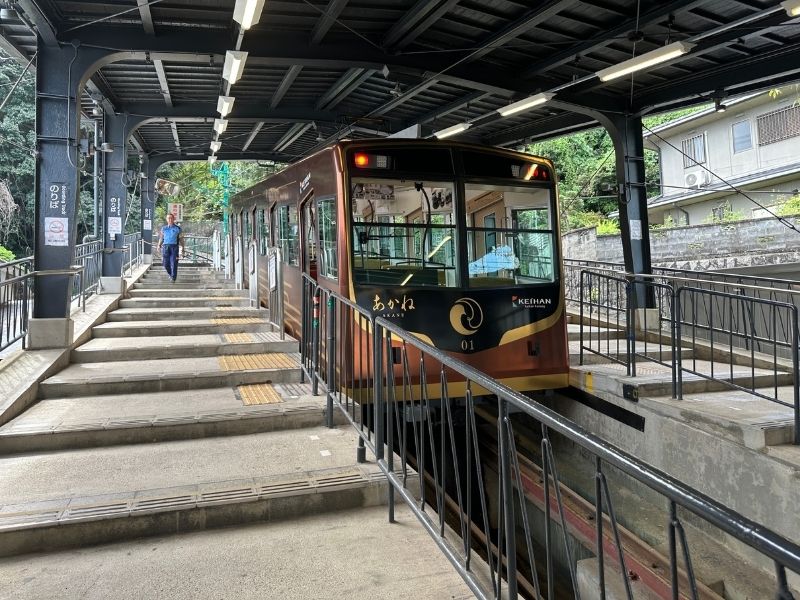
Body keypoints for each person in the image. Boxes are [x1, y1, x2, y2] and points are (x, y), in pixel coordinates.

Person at [157, 213, 185, 282]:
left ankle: (173, 278)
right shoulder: (164, 228)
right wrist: (159, 245)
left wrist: (183, 248)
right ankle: (171, 274)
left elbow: (181, 239)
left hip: (174, 247)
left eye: (171, 218)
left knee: (174, 262)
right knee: (165, 263)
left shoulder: (178, 228)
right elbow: (161, 238)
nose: (170, 219)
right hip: (165, 247)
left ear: (173, 219)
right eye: (168, 218)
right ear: (166, 220)